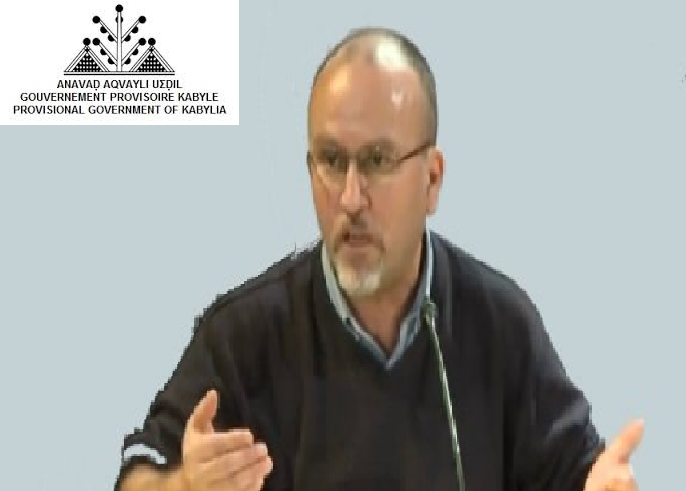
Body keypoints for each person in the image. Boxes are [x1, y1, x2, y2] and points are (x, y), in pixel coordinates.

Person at [114, 27, 644, 491]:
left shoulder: (500, 326)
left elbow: (577, 473)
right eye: (331, 160)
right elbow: (140, 475)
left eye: (377, 161)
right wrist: (184, 484)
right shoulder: (242, 338)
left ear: (432, 179)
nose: (350, 198)